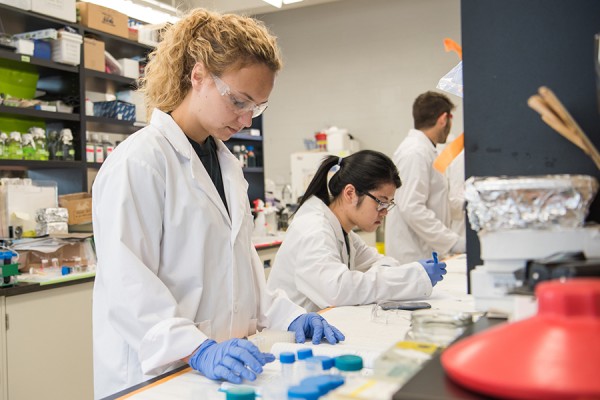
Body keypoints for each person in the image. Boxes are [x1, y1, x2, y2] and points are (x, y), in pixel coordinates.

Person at [91, 9, 344, 399]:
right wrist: (197, 348)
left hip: (220, 372)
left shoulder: (226, 165)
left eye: (257, 107)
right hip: (156, 374)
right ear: (198, 76)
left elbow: (241, 275)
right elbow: (128, 284)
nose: (246, 121)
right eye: (239, 101)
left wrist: (293, 316)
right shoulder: (138, 162)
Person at [266, 150, 447, 312]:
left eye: (389, 204)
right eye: (381, 201)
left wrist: (407, 274)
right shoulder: (314, 230)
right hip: (289, 336)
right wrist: (410, 277)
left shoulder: (344, 233)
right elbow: (337, 290)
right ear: (350, 193)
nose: (384, 212)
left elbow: (380, 262)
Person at [385, 91, 466, 264]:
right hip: (413, 254)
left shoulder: (425, 151)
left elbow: (435, 200)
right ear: (444, 119)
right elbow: (411, 207)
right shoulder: (415, 153)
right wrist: (452, 242)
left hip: (424, 251)